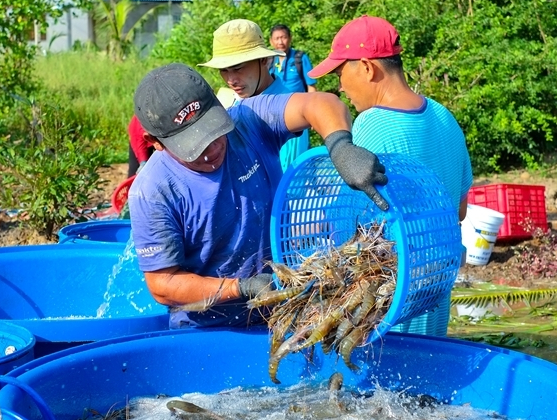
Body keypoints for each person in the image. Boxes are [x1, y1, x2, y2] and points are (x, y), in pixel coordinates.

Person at [128, 62, 388, 329]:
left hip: (283, 307)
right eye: (192, 146)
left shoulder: (248, 122)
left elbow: (321, 103)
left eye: (212, 131)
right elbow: (163, 284)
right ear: (155, 143)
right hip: (208, 327)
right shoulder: (153, 191)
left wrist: (340, 146)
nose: (210, 149)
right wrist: (240, 288)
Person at [308, 15, 473, 221]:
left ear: (367, 67)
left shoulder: (372, 123)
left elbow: (356, 218)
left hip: (403, 253)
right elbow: (461, 211)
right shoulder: (444, 115)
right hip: (449, 251)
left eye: (339, 74)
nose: (340, 87)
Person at [199, 19, 305, 173]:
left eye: (238, 68)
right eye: (223, 70)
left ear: (264, 60)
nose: (231, 80)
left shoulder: (288, 107)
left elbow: (288, 176)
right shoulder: (234, 100)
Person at [269, 24, 317, 93]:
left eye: (284, 37)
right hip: (276, 103)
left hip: (299, 102)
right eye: (276, 39)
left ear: (290, 38)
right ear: (271, 41)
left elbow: (311, 87)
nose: (280, 42)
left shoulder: (300, 58)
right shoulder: (268, 60)